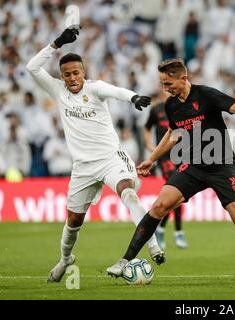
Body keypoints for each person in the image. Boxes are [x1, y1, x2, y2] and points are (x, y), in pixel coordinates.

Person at [107, 58, 235, 284]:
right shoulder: (172, 105)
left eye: (168, 83)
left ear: (183, 78)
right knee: (159, 206)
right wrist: (152, 159)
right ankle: (125, 260)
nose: (165, 89)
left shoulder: (206, 95)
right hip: (193, 165)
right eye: (162, 84)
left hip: (221, 166)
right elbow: (173, 134)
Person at [26, 28, 165, 283]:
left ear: (83, 72)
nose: (72, 78)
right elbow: (32, 67)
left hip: (111, 158)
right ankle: (65, 259)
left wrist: (133, 97)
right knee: (73, 222)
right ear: (62, 76)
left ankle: (154, 247)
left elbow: (116, 91)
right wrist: (56, 43)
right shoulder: (58, 91)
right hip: (82, 167)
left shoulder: (95, 88)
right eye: (67, 74)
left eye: (76, 73)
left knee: (129, 192)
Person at [144, 90, 188, 250]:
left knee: (177, 196)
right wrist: (149, 146)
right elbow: (147, 128)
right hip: (164, 157)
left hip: (181, 155)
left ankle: (161, 229)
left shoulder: (180, 108)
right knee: (176, 190)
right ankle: (178, 233)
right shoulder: (156, 110)